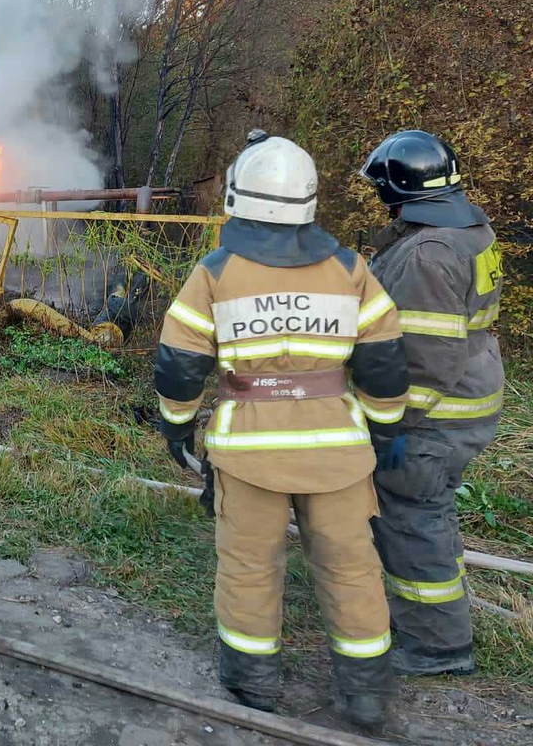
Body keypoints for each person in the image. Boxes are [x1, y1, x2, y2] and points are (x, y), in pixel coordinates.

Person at [154, 131, 408, 728]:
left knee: (248, 564)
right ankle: (368, 693)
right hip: (338, 454)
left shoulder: (216, 271)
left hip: (249, 455)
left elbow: (180, 362)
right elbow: (384, 360)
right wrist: (387, 427)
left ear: (239, 198)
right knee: (352, 567)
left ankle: (252, 682)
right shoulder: (350, 269)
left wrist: (176, 426)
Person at [359, 130, 504, 677]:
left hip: (433, 415)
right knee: (431, 515)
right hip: (470, 397)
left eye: (383, 190)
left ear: (399, 188)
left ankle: (437, 647)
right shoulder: (468, 228)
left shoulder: (427, 254)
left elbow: (424, 360)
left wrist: (392, 422)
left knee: (412, 519)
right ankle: (433, 618)